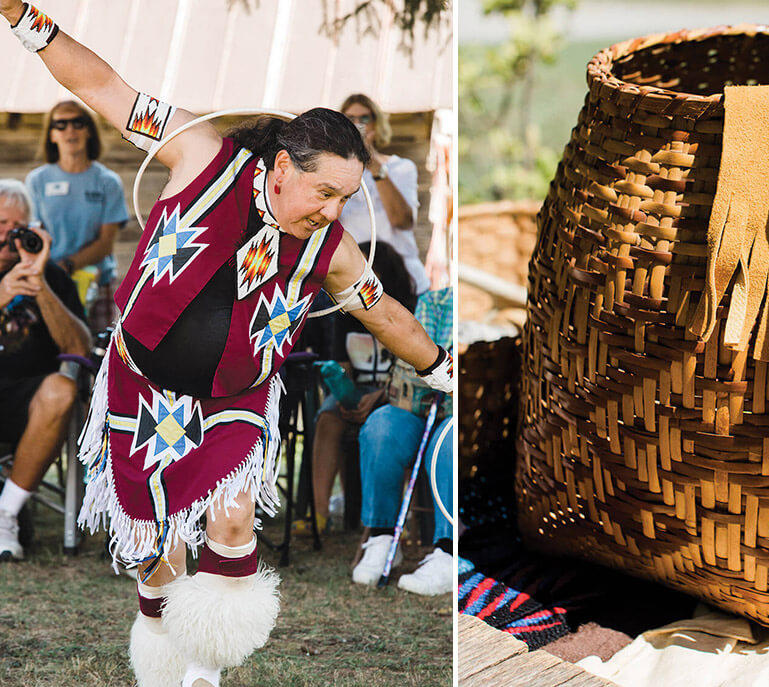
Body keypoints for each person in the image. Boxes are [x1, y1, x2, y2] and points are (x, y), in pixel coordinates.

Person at [0, 4, 453, 687]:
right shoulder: (200, 155)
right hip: (144, 385)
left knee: (233, 514)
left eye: (345, 197)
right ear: (281, 166)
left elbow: (384, 313)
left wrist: (443, 369)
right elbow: (102, 86)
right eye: (324, 192)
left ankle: (204, 671)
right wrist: (25, 19)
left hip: (237, 394)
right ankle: (161, 641)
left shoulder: (332, 248)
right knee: (159, 551)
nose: (333, 211)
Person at [0, 179, 91, 561]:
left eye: (17, 228)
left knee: (62, 388)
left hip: (30, 403)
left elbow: (80, 349)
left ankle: (6, 514)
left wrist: (40, 284)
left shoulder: (50, 275)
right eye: (1, 225)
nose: (8, 236)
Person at [301, 240, 417, 536]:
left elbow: (410, 371)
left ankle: (396, 518)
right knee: (327, 419)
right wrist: (344, 395)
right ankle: (320, 513)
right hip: (357, 391)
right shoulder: (347, 310)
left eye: (367, 267)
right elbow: (344, 366)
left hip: (396, 392)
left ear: (384, 271)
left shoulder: (408, 310)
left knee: (394, 425)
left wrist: (380, 396)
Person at [352, 287, 453, 595]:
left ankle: (448, 551)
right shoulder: (435, 302)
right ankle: (383, 537)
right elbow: (410, 358)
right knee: (380, 428)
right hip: (415, 407)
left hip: (456, 412)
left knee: (446, 444)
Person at [25, 99, 129, 332]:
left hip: (97, 282)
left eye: (77, 123)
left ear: (89, 131)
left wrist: (68, 266)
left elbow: (105, 243)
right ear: (52, 135)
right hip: (50, 283)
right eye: (60, 125)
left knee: (98, 348)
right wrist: (53, 273)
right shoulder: (37, 181)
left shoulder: (107, 182)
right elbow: (34, 233)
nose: (70, 130)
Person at [339, 93, 430, 294]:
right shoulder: (336, 172)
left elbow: (402, 221)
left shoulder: (402, 168)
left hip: (401, 278)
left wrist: (374, 166)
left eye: (365, 118)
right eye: (350, 119)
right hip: (354, 281)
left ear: (376, 123)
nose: (357, 124)